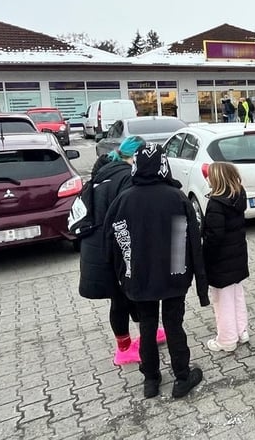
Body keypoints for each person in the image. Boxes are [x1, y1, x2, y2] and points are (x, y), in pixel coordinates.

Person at [104, 143, 208, 399]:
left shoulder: (124, 200)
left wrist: (118, 278)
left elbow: (111, 243)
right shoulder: (176, 197)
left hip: (138, 274)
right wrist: (199, 281)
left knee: (147, 326)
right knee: (174, 324)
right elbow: (191, 240)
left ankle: (150, 379)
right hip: (174, 269)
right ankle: (182, 376)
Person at [78, 136, 156, 366]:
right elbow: (130, 214)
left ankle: (145, 333)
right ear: (135, 157)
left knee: (127, 293)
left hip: (98, 245)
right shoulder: (125, 177)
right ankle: (124, 349)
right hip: (112, 247)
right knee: (121, 297)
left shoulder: (104, 172)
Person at [201, 162, 251, 353]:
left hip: (221, 261)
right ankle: (242, 330)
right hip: (237, 257)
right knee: (237, 295)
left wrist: (205, 259)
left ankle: (227, 339)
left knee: (222, 301)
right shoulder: (238, 197)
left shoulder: (216, 204)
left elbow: (214, 237)